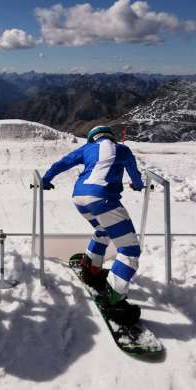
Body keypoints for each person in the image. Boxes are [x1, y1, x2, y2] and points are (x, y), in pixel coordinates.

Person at [42, 125, 144, 326]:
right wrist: (138, 185)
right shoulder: (122, 150)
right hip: (103, 199)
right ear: (111, 137)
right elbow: (134, 173)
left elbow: (62, 163)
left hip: (79, 198)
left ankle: (91, 268)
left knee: (103, 230)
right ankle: (114, 299)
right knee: (130, 249)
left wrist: (46, 180)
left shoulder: (86, 149)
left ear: (92, 138)